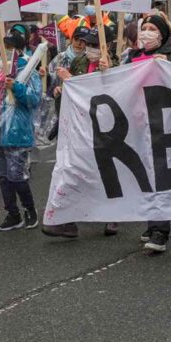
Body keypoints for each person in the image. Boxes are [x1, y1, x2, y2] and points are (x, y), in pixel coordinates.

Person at [42, 27, 116, 239]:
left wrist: (108, 71)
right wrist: (60, 89)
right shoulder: (79, 62)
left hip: (105, 128)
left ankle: (113, 215)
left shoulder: (117, 65)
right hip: (79, 127)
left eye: (94, 45)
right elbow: (73, 93)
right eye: (87, 44)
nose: (88, 48)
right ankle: (66, 220)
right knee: (72, 170)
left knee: (104, 171)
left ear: (107, 45)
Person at [127, 15, 171, 254]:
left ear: (162, 35)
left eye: (153, 29)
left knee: (160, 175)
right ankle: (152, 223)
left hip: (163, 125)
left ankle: (161, 230)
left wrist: (170, 66)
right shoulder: (132, 57)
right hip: (137, 125)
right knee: (144, 176)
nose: (147, 33)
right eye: (145, 29)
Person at [0, 28, 42, 231]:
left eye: (12, 47)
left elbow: (34, 99)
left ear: (19, 49)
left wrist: (16, 87)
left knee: (17, 176)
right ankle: (12, 214)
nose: (7, 51)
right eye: (5, 47)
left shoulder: (28, 69)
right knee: (4, 176)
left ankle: (30, 210)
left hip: (17, 130)